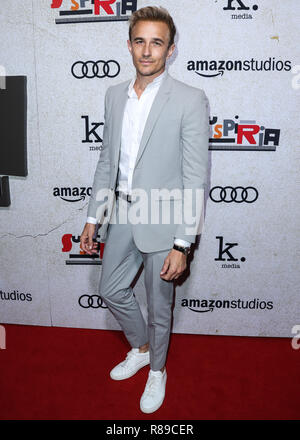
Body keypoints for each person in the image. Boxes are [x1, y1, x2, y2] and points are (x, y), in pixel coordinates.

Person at [80, 6, 209, 414]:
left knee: (159, 304)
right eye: (140, 41)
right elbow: (107, 161)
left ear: (170, 50)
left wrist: (183, 243)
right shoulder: (113, 95)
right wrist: (92, 217)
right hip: (121, 213)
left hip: (166, 219)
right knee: (110, 289)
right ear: (130, 45)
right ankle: (140, 347)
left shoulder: (190, 99)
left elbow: (195, 178)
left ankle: (157, 371)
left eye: (157, 42)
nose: (147, 51)